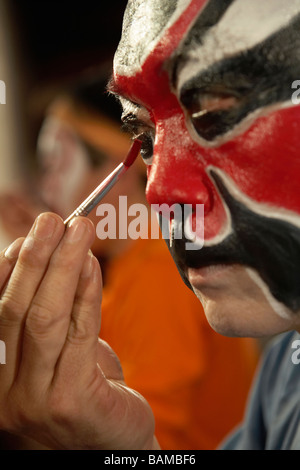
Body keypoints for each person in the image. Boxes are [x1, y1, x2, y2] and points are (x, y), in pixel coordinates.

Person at [0, 0, 300, 450]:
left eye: (215, 115)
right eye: (144, 138)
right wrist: (121, 447)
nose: (158, 191)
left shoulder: (154, 275)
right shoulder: (285, 375)